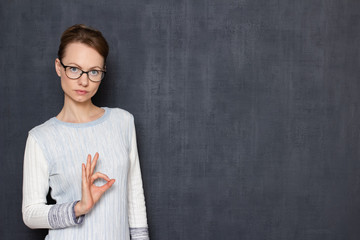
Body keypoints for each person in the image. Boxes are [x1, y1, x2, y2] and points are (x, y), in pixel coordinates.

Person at [22, 24, 149, 240]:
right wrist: (78, 208)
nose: (84, 81)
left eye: (93, 72)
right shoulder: (40, 137)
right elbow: (30, 214)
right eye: (74, 68)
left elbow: (134, 198)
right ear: (58, 67)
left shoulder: (123, 122)